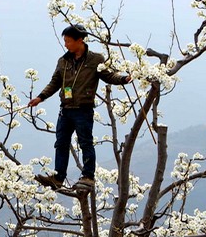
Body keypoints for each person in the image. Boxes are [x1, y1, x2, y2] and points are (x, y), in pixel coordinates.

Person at [27, 24, 131, 190]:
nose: (66, 44)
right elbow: (55, 82)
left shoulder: (96, 59)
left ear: (80, 40)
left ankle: (88, 177)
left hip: (83, 110)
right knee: (61, 143)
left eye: (68, 41)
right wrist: (40, 97)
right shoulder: (63, 61)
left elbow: (108, 76)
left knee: (85, 143)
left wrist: (124, 79)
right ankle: (58, 177)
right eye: (65, 41)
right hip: (65, 109)